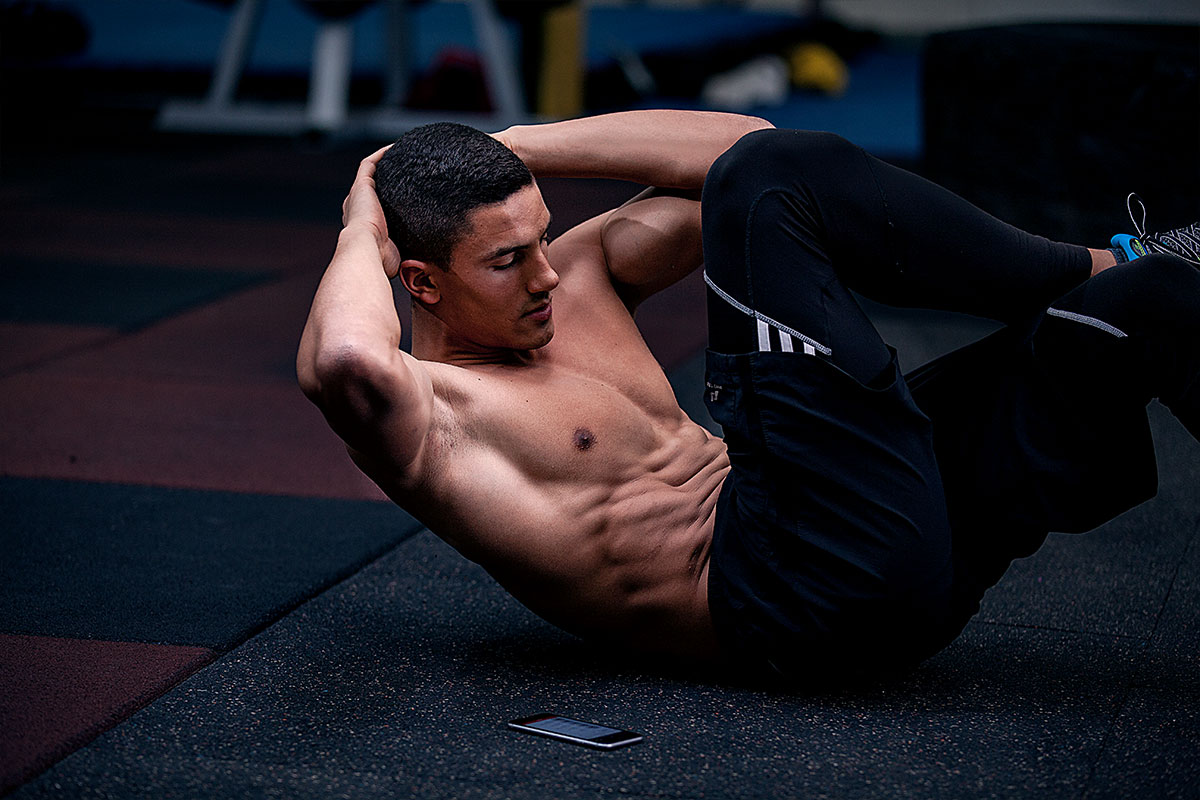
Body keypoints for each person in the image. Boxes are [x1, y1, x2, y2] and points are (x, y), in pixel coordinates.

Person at [297, 110, 1200, 683]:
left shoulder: (574, 278)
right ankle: (1093, 258)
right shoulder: (430, 412)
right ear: (414, 281)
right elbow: (343, 359)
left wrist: (510, 146)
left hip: (882, 536)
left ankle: (1121, 272)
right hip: (785, 594)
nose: (544, 273)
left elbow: (745, 144)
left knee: (1145, 306)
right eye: (505, 261)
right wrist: (359, 221)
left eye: (540, 237)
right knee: (770, 185)